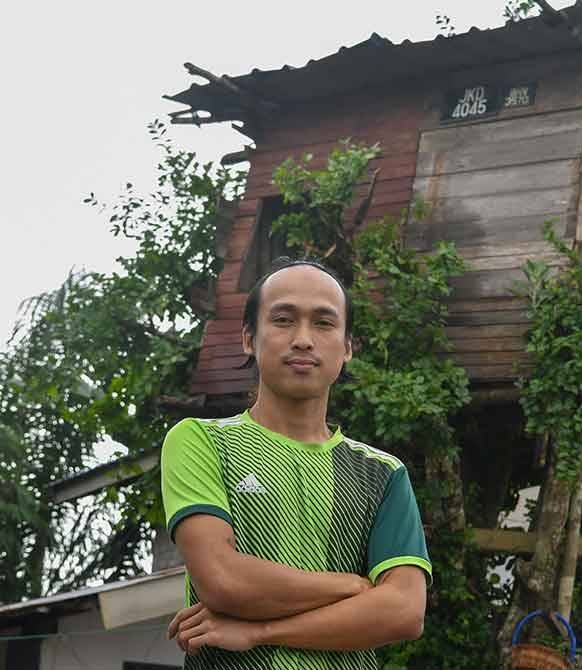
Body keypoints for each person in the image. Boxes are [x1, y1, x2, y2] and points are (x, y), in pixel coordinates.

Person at [161, 258, 430, 669]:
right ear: (249, 338)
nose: (303, 339)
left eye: (324, 323)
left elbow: (405, 611)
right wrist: (357, 587)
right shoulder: (202, 441)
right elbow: (224, 581)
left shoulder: (383, 474)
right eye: (284, 320)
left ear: (348, 347)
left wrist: (259, 632)